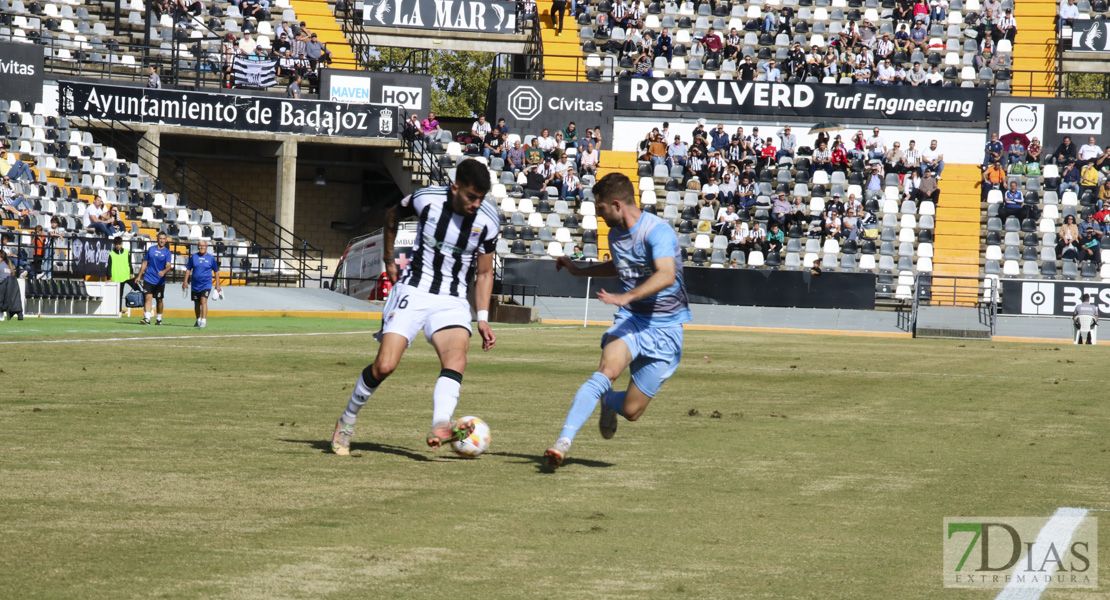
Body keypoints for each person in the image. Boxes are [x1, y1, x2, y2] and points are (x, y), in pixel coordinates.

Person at [330, 159, 499, 456]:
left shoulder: (488, 220)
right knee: (385, 366)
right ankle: (347, 419)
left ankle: (440, 424)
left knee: (456, 360)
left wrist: (483, 317)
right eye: (472, 197)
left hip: (452, 299)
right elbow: (392, 215)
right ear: (455, 187)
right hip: (414, 290)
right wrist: (388, 258)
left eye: (481, 198)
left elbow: (484, 273)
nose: (476, 204)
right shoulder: (427, 199)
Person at [544, 173, 690, 469]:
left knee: (633, 411)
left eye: (600, 209)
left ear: (615, 204)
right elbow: (620, 265)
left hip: (666, 327)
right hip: (632, 320)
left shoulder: (657, 232)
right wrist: (579, 271)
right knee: (607, 370)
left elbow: (666, 274)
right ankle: (563, 442)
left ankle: (608, 401)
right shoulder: (614, 233)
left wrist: (627, 296)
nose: (598, 215)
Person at [182, 239, 222, 328]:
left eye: (203, 246)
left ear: (206, 247)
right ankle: (198, 320)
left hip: (206, 284)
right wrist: (185, 282)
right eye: (199, 246)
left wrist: (217, 285)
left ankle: (204, 321)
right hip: (195, 285)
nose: (201, 247)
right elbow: (188, 269)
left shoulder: (211, 258)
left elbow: (216, 271)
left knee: (203, 300)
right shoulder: (194, 257)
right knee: (196, 302)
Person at [137, 232, 173, 325]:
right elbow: (145, 263)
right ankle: (147, 319)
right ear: (157, 239)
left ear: (166, 240)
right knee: (148, 297)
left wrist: (163, 272)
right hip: (148, 278)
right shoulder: (151, 250)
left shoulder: (167, 253)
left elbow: (169, 266)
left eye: (163, 239)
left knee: (159, 299)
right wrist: (139, 275)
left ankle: (159, 319)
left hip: (160, 281)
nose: (162, 240)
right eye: (160, 238)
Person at [108, 237, 143, 313]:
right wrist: (109, 277)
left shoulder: (126, 252)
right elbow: (109, 266)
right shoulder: (111, 254)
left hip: (127, 276)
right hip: (117, 277)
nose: (118, 246)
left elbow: (129, 264)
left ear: (122, 244)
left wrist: (131, 273)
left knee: (138, 289)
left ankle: (142, 304)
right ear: (114, 245)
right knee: (119, 295)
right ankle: (118, 310)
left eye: (119, 244)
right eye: (116, 244)